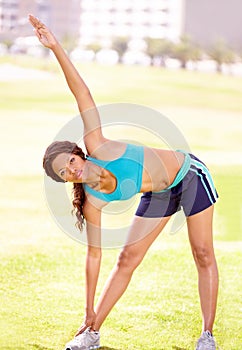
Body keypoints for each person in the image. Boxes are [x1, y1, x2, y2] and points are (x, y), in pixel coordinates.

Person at [29, 15, 219, 350]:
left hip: (188, 175)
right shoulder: (91, 201)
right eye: (63, 173)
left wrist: (55, 47)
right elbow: (93, 256)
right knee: (127, 259)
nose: (71, 171)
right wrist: (86, 306)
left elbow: (81, 92)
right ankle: (91, 332)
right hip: (159, 193)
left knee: (202, 253)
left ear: (79, 153)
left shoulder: (98, 144)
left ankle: (207, 335)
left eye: (70, 162)